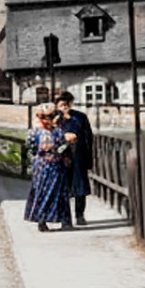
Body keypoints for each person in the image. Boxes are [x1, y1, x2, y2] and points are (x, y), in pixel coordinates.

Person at [22, 107, 77, 232]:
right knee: (43, 191)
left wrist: (66, 149)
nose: (47, 121)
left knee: (59, 192)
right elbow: (31, 148)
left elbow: (62, 147)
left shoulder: (56, 132)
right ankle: (43, 220)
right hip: (43, 165)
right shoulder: (36, 133)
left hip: (54, 165)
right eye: (45, 118)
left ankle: (62, 220)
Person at [54, 90, 95, 226]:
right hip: (60, 157)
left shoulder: (80, 117)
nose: (65, 106)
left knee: (80, 186)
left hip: (78, 154)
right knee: (62, 186)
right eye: (61, 104)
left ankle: (80, 215)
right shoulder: (55, 119)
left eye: (67, 103)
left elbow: (88, 137)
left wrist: (89, 159)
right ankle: (65, 217)